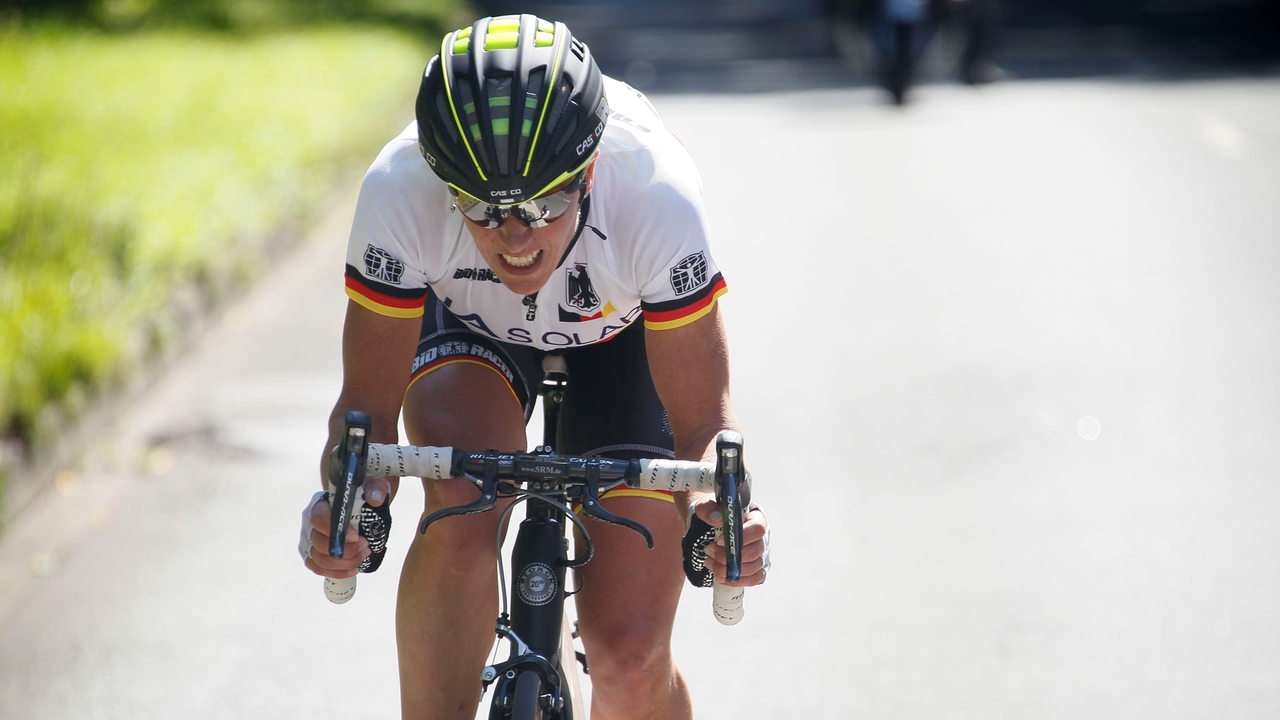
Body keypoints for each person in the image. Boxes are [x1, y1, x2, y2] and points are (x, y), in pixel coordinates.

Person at [299, 14, 770, 720]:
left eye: (545, 203)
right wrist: (352, 500)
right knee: (459, 493)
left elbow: (703, 426)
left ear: (589, 169)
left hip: (626, 339)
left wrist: (717, 510)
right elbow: (364, 413)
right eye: (481, 209)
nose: (515, 239)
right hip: (473, 325)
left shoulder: (655, 195)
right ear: (440, 176)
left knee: (630, 658)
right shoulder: (399, 190)